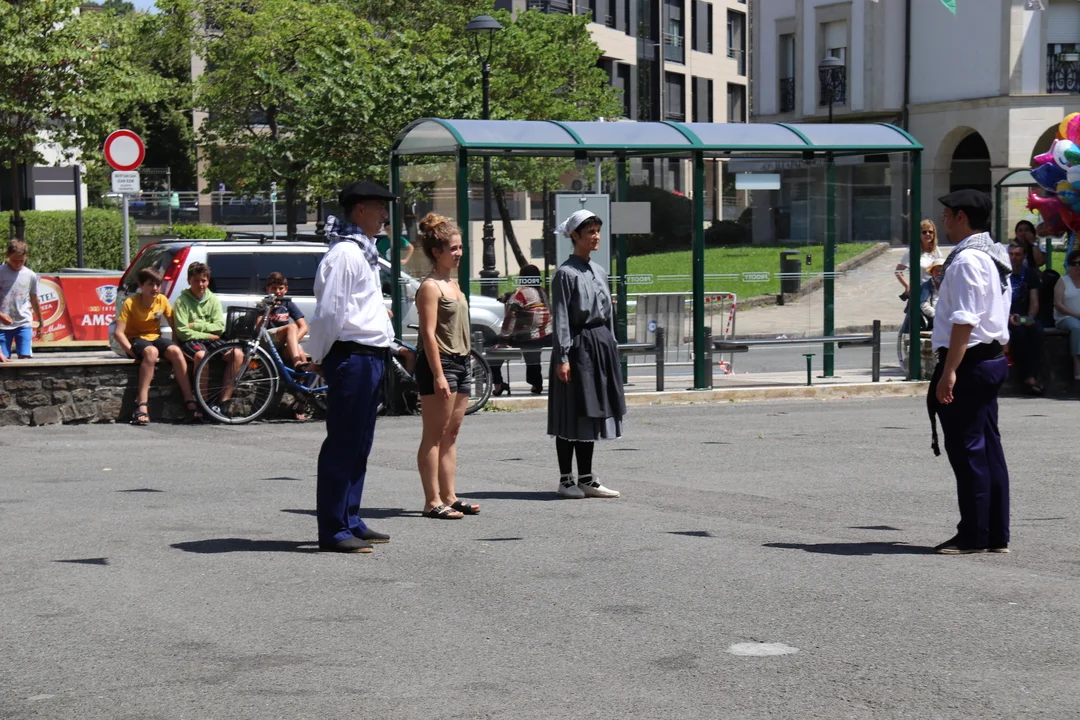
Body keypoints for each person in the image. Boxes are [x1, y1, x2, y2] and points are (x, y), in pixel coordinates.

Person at [306, 181, 397, 553]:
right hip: (353, 356)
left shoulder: (362, 251)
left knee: (359, 444)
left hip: (368, 355)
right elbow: (330, 312)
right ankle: (333, 528)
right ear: (359, 210)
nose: (384, 214)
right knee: (343, 444)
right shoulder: (346, 253)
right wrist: (318, 357)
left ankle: (349, 517)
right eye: (379, 206)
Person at [928, 189, 1011, 555]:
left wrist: (950, 371)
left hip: (969, 359)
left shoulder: (966, 261)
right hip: (989, 356)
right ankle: (995, 532)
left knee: (967, 448)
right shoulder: (993, 254)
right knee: (988, 447)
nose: (943, 220)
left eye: (947, 215)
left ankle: (974, 534)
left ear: (962, 217)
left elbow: (964, 320)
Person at [548, 210, 625, 500]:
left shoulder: (599, 270)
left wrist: (612, 345)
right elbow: (561, 317)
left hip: (599, 344)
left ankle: (587, 477)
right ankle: (565, 478)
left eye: (597, 231)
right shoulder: (565, 274)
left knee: (592, 409)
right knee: (572, 410)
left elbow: (609, 315)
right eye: (590, 231)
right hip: (577, 346)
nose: (595, 236)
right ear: (574, 236)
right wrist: (563, 357)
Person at [414, 213, 480, 520]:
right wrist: (439, 374)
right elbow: (428, 333)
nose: (458, 253)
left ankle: (450, 496)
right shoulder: (430, 287)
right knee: (434, 434)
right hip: (440, 363)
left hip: (462, 361)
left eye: (460, 247)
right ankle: (432, 501)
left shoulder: (453, 284)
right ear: (436, 252)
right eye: (453, 248)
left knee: (451, 433)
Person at [113, 267, 200, 425]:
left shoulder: (162, 300)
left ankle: (189, 400)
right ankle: (142, 404)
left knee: (176, 351)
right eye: (150, 284)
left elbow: (174, 326)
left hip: (155, 337)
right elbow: (119, 333)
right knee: (151, 352)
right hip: (136, 339)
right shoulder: (131, 302)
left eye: (157, 285)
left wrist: (175, 342)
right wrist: (132, 353)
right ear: (141, 285)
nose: (155, 288)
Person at [173, 262, 244, 413]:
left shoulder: (213, 300)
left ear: (208, 281)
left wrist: (195, 325)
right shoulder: (181, 301)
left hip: (211, 338)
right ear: (189, 281)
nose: (200, 284)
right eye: (196, 281)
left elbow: (219, 327)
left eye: (203, 280)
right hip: (191, 340)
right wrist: (208, 333)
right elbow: (183, 332)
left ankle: (223, 403)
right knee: (201, 355)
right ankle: (203, 403)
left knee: (237, 354)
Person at [490, 264, 553, 396]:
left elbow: (510, 317)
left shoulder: (519, 293)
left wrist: (503, 340)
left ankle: (498, 384)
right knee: (533, 357)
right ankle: (537, 384)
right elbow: (531, 300)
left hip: (525, 336)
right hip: (545, 333)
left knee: (492, 352)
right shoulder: (543, 291)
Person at [1006, 242, 1044, 394]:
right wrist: (1008, 316)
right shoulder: (1001, 275)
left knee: (1037, 331)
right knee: (1019, 334)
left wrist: (1030, 318)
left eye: (1017, 254)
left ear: (1024, 256)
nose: (1014, 257)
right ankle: (1028, 377)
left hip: (1023, 316)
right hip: (1005, 316)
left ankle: (1032, 375)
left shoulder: (1029, 275)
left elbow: (1034, 301)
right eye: (1011, 254)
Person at [0, 240, 44, 361]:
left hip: (24, 322)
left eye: (21, 260)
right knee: (3, 358)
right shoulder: (1, 272)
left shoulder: (31, 275)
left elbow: (34, 299)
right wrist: (1, 316)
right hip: (2, 324)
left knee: (25, 357)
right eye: (14, 260)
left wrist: (41, 321)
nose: (18, 264)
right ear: (7, 255)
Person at [263, 271, 310, 370]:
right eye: (274, 288)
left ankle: (304, 373)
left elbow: (304, 327)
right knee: (292, 327)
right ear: (267, 289)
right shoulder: (263, 304)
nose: (277, 292)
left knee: (299, 351)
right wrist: (269, 308)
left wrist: (292, 342)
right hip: (268, 340)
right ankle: (297, 363)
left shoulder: (288, 303)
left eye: (281, 288)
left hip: (284, 340)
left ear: (286, 289)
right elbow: (260, 328)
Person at [895, 219, 944, 299]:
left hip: (934, 293)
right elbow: (898, 271)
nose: (927, 234)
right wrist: (907, 286)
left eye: (930, 232)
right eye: (924, 232)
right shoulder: (913, 250)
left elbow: (941, 271)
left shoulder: (936, 250)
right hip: (919, 293)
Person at [1052, 248, 1080, 380]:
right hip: (1065, 317)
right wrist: (1076, 315)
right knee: (1077, 327)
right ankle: (1077, 362)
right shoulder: (1063, 281)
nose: (1077, 266)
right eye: (1074, 263)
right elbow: (1058, 304)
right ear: (1069, 266)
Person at [919, 262, 944, 331]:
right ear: (931, 273)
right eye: (937, 271)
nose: (939, 273)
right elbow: (923, 304)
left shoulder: (950, 285)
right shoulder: (926, 286)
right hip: (932, 318)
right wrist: (937, 315)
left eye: (942, 271)